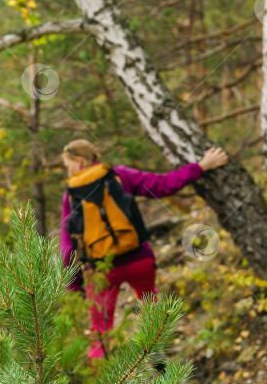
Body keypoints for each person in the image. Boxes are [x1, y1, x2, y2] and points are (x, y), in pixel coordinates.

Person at [59, 139, 229, 366]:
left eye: (67, 165)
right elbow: (164, 185)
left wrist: (74, 287)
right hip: (139, 259)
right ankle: (157, 354)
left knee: (100, 327)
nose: (67, 170)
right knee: (150, 302)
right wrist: (201, 166)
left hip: (101, 271)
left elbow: (68, 247)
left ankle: (99, 380)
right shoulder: (119, 175)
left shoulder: (70, 194)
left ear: (78, 161)